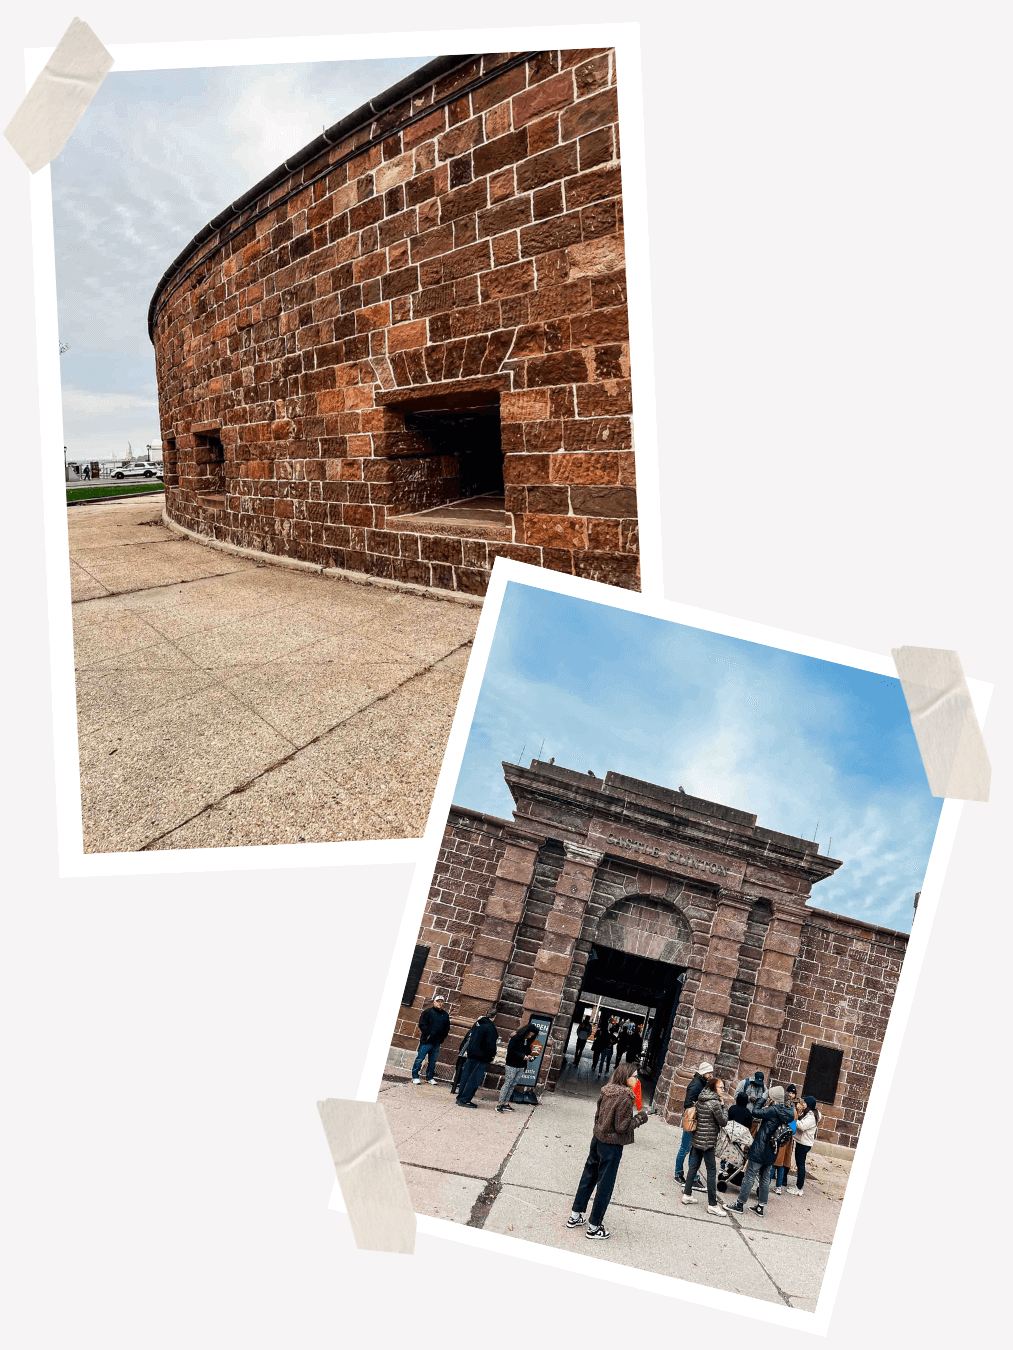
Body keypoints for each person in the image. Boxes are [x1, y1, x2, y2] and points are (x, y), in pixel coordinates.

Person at [566, 1060, 649, 1239]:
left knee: (588, 1176)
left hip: (597, 1139)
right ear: (625, 1077)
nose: (637, 1080)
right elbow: (622, 1126)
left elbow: (597, 1116)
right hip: (612, 1145)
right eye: (634, 1077)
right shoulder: (626, 1097)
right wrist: (640, 1119)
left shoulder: (607, 1090)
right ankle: (594, 1226)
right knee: (605, 1185)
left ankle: (575, 1215)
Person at [727, 1085, 795, 1216]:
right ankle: (760, 1207)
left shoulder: (773, 1110)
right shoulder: (789, 1112)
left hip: (760, 1148)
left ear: (773, 1097)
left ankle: (739, 1205)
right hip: (772, 1150)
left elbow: (755, 1112)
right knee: (765, 1179)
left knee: (749, 1176)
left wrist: (763, 1098)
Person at [681, 1073, 731, 1216]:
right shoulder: (715, 1103)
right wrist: (724, 1107)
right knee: (711, 1172)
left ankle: (687, 1194)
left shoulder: (702, 1098)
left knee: (694, 1167)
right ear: (714, 1088)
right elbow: (723, 1122)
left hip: (698, 1138)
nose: (723, 1089)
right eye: (721, 1087)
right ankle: (712, 1204)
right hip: (708, 1141)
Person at [674, 1061, 713, 1188]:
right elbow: (688, 1104)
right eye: (709, 1072)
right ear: (704, 1073)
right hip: (691, 1120)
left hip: (695, 1120)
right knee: (685, 1149)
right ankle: (678, 1174)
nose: (711, 1075)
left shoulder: (701, 1083)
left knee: (693, 1150)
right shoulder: (696, 1084)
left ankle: (693, 1177)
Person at [456, 1015, 499, 1108]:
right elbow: (491, 1044)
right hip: (481, 1056)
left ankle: (460, 1097)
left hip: (471, 1054)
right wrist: (491, 1055)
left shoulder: (477, 1024)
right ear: (494, 1017)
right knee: (474, 1079)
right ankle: (465, 1099)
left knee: (466, 1076)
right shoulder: (490, 1027)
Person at [497, 1023, 540, 1112]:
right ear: (526, 1032)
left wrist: (529, 1056)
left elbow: (527, 1051)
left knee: (513, 1084)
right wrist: (522, 1056)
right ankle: (500, 1103)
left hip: (520, 1065)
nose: (530, 1036)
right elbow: (511, 1050)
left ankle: (506, 1102)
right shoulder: (516, 1037)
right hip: (512, 1064)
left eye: (532, 1035)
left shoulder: (527, 1041)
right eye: (529, 1034)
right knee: (508, 1083)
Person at [411, 994, 450, 1084]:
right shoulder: (427, 1012)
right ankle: (415, 1076)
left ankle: (429, 1077)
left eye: (441, 1001)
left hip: (437, 1042)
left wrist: (442, 1038)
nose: (440, 1003)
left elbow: (447, 1028)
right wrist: (429, 1034)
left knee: (432, 1061)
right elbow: (422, 1024)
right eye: (438, 1001)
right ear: (434, 1002)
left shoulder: (445, 1015)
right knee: (420, 1059)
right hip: (426, 1041)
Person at [789, 1095, 821, 1195]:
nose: (803, 1104)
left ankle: (799, 1188)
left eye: (805, 1103)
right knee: (800, 1164)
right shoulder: (810, 1114)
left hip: (804, 1143)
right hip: (803, 1142)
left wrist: (792, 1121)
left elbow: (802, 1126)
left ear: (809, 1105)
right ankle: (798, 1186)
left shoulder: (811, 1116)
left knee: (801, 1165)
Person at [772, 1087, 799, 1193]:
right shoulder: (794, 1111)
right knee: (781, 1165)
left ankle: (765, 1185)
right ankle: (778, 1187)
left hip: (777, 1138)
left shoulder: (779, 1109)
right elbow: (793, 1130)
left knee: (774, 1163)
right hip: (787, 1140)